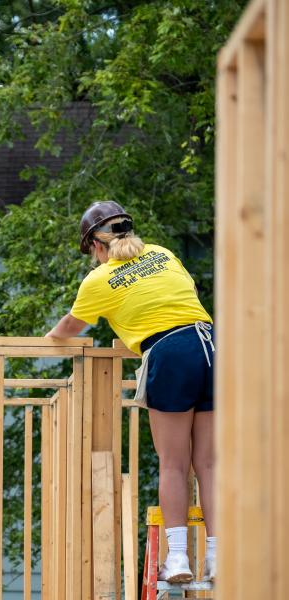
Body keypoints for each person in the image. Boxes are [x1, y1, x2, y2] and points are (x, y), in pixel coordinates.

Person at [46, 201, 216, 584]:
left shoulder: (100, 279)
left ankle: (177, 559)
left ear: (96, 244)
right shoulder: (162, 254)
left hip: (170, 353)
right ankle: (217, 557)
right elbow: (183, 294)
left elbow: (72, 326)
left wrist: (50, 339)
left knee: (174, 464)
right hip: (209, 346)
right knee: (208, 465)